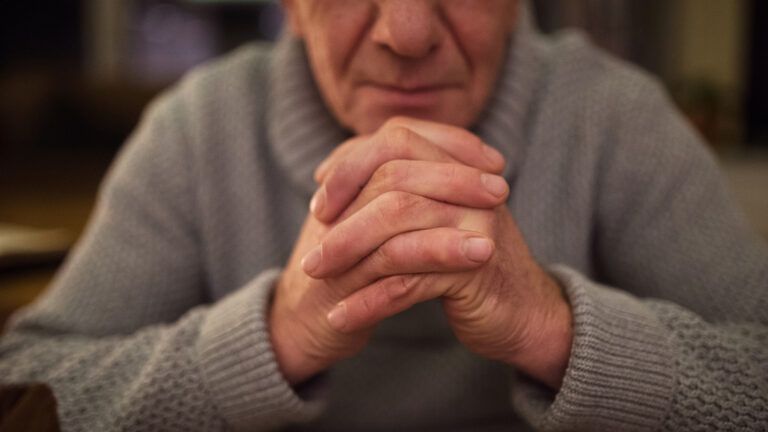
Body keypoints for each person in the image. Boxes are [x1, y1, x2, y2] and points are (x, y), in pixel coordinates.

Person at [1, 1, 766, 430]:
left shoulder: (614, 115)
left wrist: (555, 329)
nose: (404, 34)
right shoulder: (201, 125)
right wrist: (272, 336)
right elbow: (26, 388)